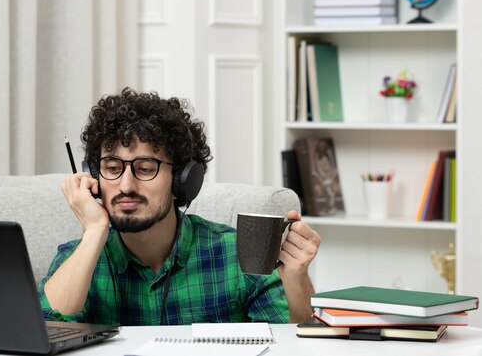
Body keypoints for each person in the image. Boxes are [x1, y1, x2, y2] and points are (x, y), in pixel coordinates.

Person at [39, 88, 321, 325]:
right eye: (112, 168)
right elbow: (45, 331)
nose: (125, 185)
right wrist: (94, 231)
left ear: (182, 181)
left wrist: (297, 279)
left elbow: (297, 341)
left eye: (145, 168)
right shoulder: (78, 259)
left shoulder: (237, 254)